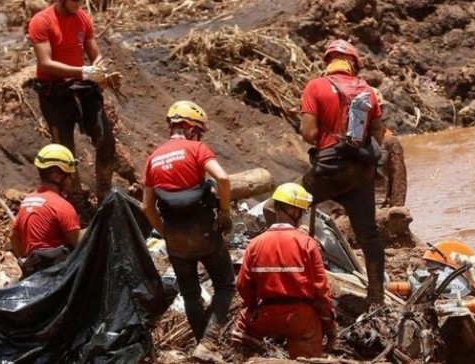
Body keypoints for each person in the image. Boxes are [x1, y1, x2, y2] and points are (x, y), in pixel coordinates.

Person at [141, 100, 235, 362]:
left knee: (191, 293)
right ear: (191, 128)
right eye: (200, 131)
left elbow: (147, 206)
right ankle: (207, 343)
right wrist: (225, 213)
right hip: (204, 232)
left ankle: (200, 346)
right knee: (225, 285)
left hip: (175, 240)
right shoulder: (196, 148)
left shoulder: (153, 158)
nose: (200, 136)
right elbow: (224, 179)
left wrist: (165, 232)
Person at [299, 39, 386, 308]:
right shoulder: (368, 91)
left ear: (328, 62)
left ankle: (290, 273)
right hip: (360, 171)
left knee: (282, 207)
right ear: (353, 64)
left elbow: (309, 133)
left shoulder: (315, 86)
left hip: (328, 169)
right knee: (368, 234)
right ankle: (376, 296)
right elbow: (379, 135)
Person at [28, 0, 122, 221]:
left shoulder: (82, 18)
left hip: (83, 88)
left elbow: (94, 54)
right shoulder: (41, 21)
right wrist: (83, 72)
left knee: (106, 140)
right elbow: (46, 62)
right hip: (55, 92)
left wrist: (99, 70)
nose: (78, 4)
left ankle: (104, 194)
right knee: (64, 151)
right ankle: (77, 203)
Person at [232, 183, 336, 360]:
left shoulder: (255, 244)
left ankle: (243, 359)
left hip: (265, 315)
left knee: (243, 326)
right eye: (301, 212)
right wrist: (328, 323)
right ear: (294, 212)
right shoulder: (307, 243)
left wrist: (253, 307)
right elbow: (321, 290)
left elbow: (243, 285)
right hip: (301, 319)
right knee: (308, 355)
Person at [10, 144, 84, 278]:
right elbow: (81, 244)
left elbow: (14, 237)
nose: (71, 179)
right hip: (57, 276)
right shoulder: (61, 205)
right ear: (56, 176)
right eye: (69, 175)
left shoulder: (27, 201)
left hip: (34, 274)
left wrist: (25, 260)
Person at [370, 87, 407, 208]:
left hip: (380, 207)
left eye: (378, 109)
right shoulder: (353, 139)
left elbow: (399, 181)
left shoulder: (390, 141)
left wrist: (396, 211)